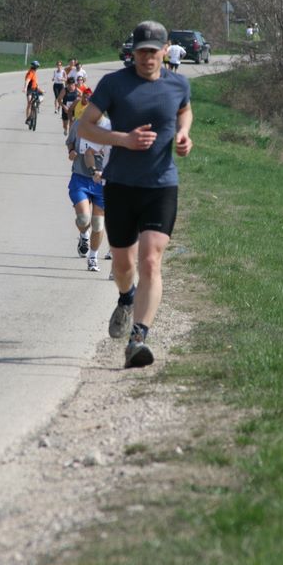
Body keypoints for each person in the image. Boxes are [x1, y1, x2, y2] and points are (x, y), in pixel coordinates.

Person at [78, 20, 193, 369]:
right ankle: (126, 298)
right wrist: (124, 140)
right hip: (122, 185)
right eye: (141, 52)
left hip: (161, 185)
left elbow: (184, 110)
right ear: (134, 52)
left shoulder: (178, 84)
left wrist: (184, 135)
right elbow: (85, 125)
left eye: (153, 52)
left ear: (165, 49)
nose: (147, 58)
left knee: (150, 260)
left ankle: (138, 338)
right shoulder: (114, 84)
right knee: (125, 265)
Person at [66, 117, 108, 271]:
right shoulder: (79, 123)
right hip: (81, 178)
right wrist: (71, 151)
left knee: (97, 223)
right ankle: (84, 235)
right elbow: (70, 141)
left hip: (103, 182)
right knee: (84, 219)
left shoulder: (110, 126)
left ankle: (93, 257)